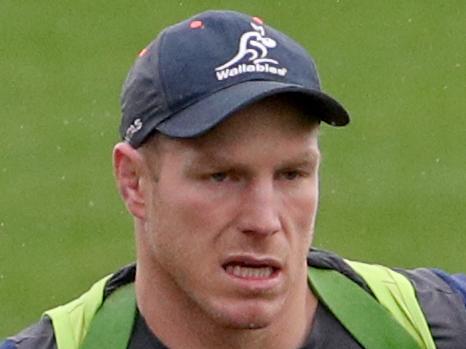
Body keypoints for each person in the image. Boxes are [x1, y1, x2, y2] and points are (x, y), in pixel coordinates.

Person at [2, 9, 466, 349]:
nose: (264, 221)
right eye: (222, 176)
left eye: (291, 174)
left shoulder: (437, 326)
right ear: (134, 182)